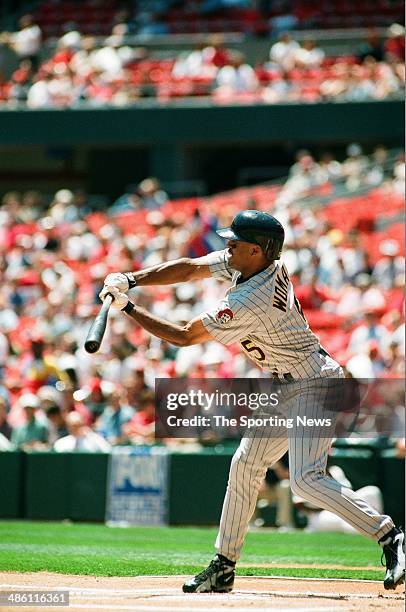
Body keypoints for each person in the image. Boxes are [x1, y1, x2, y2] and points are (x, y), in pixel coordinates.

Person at [99, 209, 405, 592]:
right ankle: (224, 566)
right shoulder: (251, 264)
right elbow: (191, 267)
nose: (227, 246)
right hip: (286, 385)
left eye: (236, 242)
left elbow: (182, 334)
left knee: (306, 480)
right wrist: (132, 279)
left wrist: (126, 307)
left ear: (259, 251)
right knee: (245, 464)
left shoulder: (250, 298)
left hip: (317, 383)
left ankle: (390, 536)